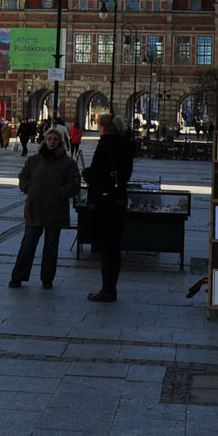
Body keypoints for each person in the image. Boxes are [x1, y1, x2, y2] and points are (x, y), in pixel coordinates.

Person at [8, 127, 79, 289]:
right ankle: (18, 276)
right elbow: (23, 176)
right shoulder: (35, 160)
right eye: (49, 139)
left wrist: (60, 193)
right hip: (35, 207)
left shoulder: (67, 163)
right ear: (44, 141)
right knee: (28, 244)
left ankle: (47, 278)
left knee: (51, 246)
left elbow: (74, 183)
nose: (52, 142)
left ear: (60, 142)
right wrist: (29, 188)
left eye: (55, 139)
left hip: (55, 209)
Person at [83, 114, 136, 303]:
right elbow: (126, 174)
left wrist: (86, 173)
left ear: (103, 127)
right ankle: (112, 288)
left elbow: (95, 171)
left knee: (105, 246)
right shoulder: (127, 144)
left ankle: (106, 289)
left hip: (104, 201)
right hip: (119, 198)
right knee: (115, 246)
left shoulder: (105, 143)